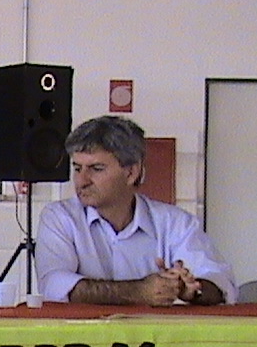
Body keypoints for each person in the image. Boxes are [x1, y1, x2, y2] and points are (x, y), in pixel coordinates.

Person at [35, 115, 236, 305]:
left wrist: (190, 289)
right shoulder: (59, 217)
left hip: (156, 331)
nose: (82, 181)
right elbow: (53, 286)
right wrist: (139, 291)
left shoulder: (175, 223)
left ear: (131, 172)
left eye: (96, 169)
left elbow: (221, 284)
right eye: (77, 168)